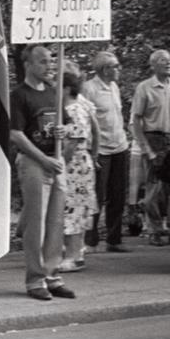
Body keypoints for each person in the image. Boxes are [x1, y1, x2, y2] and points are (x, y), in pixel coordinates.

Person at [10, 45, 75, 301]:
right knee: (36, 223)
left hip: (55, 162)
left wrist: (65, 133)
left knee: (56, 222)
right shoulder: (19, 95)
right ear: (28, 64)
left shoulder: (53, 93)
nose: (49, 66)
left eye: (51, 61)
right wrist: (43, 159)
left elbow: (67, 126)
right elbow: (16, 134)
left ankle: (52, 275)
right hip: (34, 162)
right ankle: (35, 280)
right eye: (43, 61)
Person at [130, 50, 170, 246]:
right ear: (153, 65)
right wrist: (146, 148)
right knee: (154, 187)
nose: (168, 63)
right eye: (162, 60)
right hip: (154, 138)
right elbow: (135, 119)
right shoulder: (145, 88)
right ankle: (155, 229)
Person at [82, 51, 130, 252]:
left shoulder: (114, 87)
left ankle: (114, 239)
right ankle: (90, 241)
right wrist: (89, 150)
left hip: (120, 146)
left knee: (118, 195)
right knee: (97, 196)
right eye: (115, 66)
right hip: (100, 149)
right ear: (104, 69)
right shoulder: (89, 88)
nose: (118, 69)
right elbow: (83, 119)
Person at [60, 61, 99, 272]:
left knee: (74, 210)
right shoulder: (75, 107)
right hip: (80, 162)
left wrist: (61, 163)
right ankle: (74, 252)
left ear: (66, 88)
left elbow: (74, 139)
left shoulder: (74, 109)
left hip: (75, 164)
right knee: (74, 209)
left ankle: (74, 255)